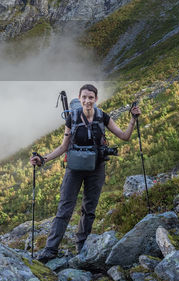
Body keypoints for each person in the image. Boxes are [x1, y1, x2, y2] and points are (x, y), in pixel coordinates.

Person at [28, 84, 140, 261]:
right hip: (74, 168)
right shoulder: (71, 118)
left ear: (96, 99)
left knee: (89, 208)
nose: (87, 101)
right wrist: (43, 160)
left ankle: (82, 246)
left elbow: (124, 136)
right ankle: (50, 250)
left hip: (96, 168)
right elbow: (64, 147)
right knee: (65, 208)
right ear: (80, 99)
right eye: (84, 97)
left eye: (91, 97)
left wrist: (133, 119)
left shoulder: (102, 117)